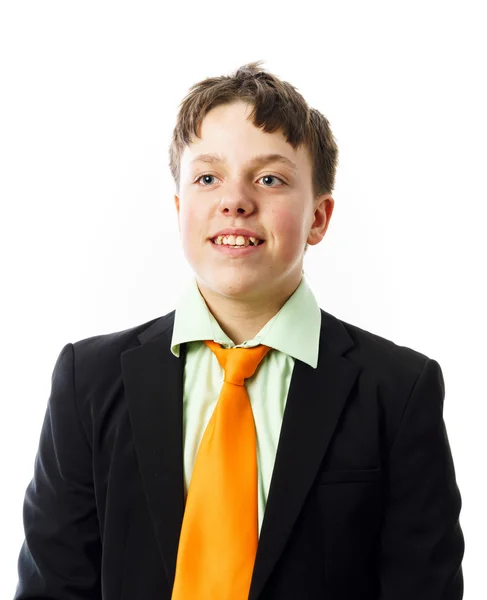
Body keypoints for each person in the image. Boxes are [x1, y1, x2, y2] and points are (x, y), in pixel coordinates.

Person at [14, 61, 464, 599]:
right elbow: (54, 587)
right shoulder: (86, 382)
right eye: (208, 178)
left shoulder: (398, 390)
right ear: (181, 209)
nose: (235, 201)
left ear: (319, 218)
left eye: (269, 178)